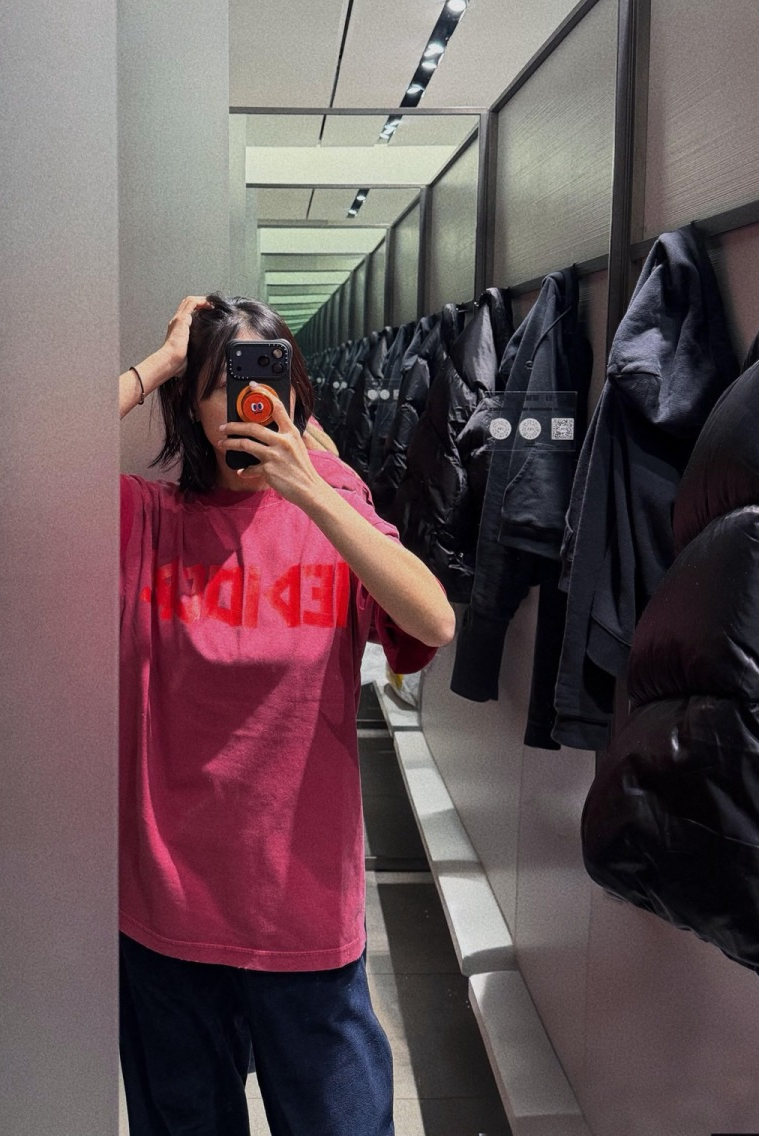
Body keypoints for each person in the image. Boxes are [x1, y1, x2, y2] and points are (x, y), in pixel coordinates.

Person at [118, 293, 456, 1136]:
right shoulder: (151, 522)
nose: (247, 400)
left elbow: (434, 622)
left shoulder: (332, 516)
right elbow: (22, 452)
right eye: (219, 384)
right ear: (190, 408)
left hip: (302, 915)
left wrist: (316, 492)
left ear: (297, 394)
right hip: (168, 914)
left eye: (267, 378)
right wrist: (161, 361)